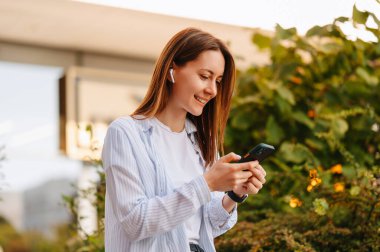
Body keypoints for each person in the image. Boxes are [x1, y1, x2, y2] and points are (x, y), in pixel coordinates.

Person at [101, 27, 267, 252]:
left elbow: (206, 224)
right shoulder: (126, 133)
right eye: (205, 76)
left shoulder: (202, 142)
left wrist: (234, 194)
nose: (212, 90)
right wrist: (207, 183)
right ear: (172, 70)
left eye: (218, 80)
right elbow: (136, 222)